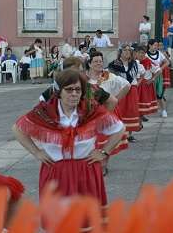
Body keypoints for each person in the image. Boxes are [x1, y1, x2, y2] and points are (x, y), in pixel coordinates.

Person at [13, 68, 125, 206]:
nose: (74, 94)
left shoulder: (91, 110)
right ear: (59, 91)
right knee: (58, 221)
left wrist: (104, 151)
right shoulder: (45, 112)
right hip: (55, 173)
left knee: (86, 220)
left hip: (86, 171)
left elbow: (120, 129)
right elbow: (18, 129)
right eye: (69, 89)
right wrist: (36, 152)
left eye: (78, 90)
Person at [108, 45, 144, 141]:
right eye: (124, 50)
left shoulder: (134, 63)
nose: (127, 52)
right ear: (120, 52)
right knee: (120, 111)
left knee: (131, 111)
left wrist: (136, 84)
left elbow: (142, 74)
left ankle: (129, 135)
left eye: (129, 50)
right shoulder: (114, 64)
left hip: (132, 90)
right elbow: (109, 78)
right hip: (120, 90)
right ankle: (119, 134)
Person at [146, 39, 170, 118]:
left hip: (158, 76)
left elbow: (167, 62)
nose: (156, 47)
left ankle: (163, 110)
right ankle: (144, 112)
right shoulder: (145, 54)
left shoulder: (159, 53)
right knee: (147, 94)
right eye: (155, 45)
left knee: (159, 95)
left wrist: (160, 69)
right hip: (148, 76)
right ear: (150, 45)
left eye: (157, 45)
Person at [136, 46, 159, 119]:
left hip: (145, 85)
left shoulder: (148, 61)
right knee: (136, 101)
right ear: (136, 53)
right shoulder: (134, 62)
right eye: (139, 53)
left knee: (143, 101)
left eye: (143, 53)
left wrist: (152, 79)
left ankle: (141, 115)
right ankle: (138, 115)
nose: (141, 54)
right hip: (137, 83)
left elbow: (159, 70)